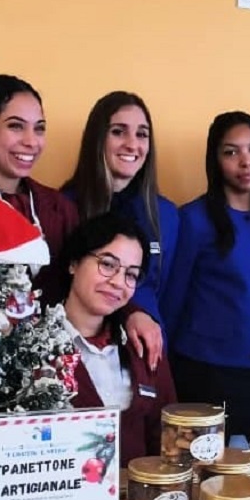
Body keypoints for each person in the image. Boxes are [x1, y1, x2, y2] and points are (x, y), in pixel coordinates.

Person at [0, 75, 163, 368]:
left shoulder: (57, 207)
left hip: (47, 366)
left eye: (39, 128)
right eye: (16, 126)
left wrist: (132, 312)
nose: (31, 141)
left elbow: (85, 279)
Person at [161, 111, 250, 452]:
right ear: (215, 160)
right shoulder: (193, 218)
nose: (246, 161)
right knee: (206, 473)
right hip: (205, 368)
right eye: (231, 152)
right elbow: (173, 298)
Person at [60, 212, 177, 463]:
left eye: (131, 274)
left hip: (138, 497)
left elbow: (167, 439)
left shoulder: (144, 345)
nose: (118, 282)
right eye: (108, 264)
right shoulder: (33, 347)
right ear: (74, 263)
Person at [61, 91, 179, 326]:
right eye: (118, 132)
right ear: (97, 138)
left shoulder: (166, 215)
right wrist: (131, 313)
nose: (132, 144)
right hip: (77, 343)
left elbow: (163, 293)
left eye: (142, 134)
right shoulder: (62, 206)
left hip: (145, 350)